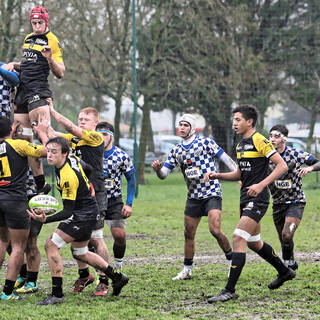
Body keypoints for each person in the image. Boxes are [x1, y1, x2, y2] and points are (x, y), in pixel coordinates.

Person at [205, 104, 296, 303]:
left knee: (238, 237)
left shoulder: (259, 140)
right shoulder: (240, 144)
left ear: (249, 121)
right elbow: (240, 173)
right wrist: (217, 175)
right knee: (254, 242)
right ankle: (284, 271)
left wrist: (261, 185)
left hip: (258, 198)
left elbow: (281, 166)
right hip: (245, 197)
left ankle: (229, 290)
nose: (234, 123)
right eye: (234, 120)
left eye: (238, 120)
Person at [28, 137, 129, 305]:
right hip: (87, 212)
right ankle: (117, 277)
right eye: (48, 151)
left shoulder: (68, 176)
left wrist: (44, 220)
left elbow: (68, 211)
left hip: (81, 216)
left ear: (65, 153)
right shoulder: (72, 159)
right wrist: (87, 186)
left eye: (54, 152)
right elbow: (88, 169)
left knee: (51, 245)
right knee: (80, 253)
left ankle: (57, 294)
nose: (49, 156)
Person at [152, 114, 236, 280]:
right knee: (188, 233)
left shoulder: (205, 142)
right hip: (193, 196)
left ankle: (232, 263)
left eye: (185, 125)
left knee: (215, 230)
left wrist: (238, 175)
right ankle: (187, 270)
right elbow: (163, 175)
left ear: (192, 128)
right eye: (180, 125)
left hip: (212, 192)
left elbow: (226, 159)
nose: (181, 128)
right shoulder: (176, 150)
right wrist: (157, 170)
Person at [43, 101, 109, 295]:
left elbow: (70, 128)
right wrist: (43, 126)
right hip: (79, 195)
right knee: (77, 238)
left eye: (86, 120)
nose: (81, 122)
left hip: (95, 192)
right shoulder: (74, 140)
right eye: (80, 119)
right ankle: (84, 276)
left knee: (96, 239)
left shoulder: (96, 137)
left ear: (95, 123)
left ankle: (104, 280)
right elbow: (54, 137)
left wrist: (54, 111)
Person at [8, 5, 65, 194]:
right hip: (22, 92)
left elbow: (60, 73)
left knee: (44, 134)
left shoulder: (52, 40)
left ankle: (67, 170)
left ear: (46, 22)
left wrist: (49, 59)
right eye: (34, 22)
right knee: (20, 137)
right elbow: (26, 66)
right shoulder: (28, 38)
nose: (37, 26)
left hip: (38, 93)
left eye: (40, 22)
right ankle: (39, 184)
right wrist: (12, 64)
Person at [0, 116, 47, 300]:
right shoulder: (19, 145)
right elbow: (45, 151)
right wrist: (42, 133)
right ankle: (7, 293)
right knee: (19, 247)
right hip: (15, 201)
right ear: (11, 129)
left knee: (3, 242)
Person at [268, 124, 320, 270]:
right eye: (271, 136)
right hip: (277, 203)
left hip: (296, 202)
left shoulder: (295, 154)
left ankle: (285, 266)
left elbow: (318, 162)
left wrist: (310, 168)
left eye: (276, 136)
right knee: (284, 239)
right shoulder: (266, 156)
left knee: (287, 234)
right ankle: (291, 261)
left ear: (284, 139)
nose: (272, 139)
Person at [93, 121, 135, 295]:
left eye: (104, 134)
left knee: (119, 235)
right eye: (97, 135)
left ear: (111, 136)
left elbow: (131, 179)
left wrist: (129, 203)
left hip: (114, 200)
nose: (101, 138)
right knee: (94, 239)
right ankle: (100, 276)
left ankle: (118, 267)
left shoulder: (121, 155)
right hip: (94, 201)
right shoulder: (91, 154)